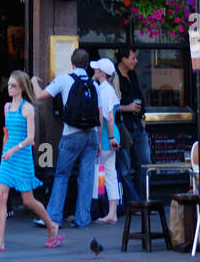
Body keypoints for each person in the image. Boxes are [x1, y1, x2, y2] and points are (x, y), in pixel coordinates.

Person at [0, 71, 61, 251]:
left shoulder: (27, 108)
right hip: (8, 156)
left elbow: (30, 137)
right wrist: (4, 151)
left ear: (22, 87)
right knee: (1, 196)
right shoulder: (6, 107)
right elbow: (7, 133)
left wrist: (12, 149)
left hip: (22, 155)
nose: (9, 88)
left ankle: (51, 225)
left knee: (28, 200)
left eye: (13, 85)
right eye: (9, 85)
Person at [32, 48, 99, 230]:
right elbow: (99, 116)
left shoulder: (64, 79)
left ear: (72, 63)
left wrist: (33, 82)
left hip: (71, 134)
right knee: (87, 177)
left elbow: (40, 96)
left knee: (61, 175)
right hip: (91, 135)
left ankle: (53, 217)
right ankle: (83, 220)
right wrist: (99, 142)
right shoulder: (94, 85)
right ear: (87, 64)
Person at [115, 46, 152, 200]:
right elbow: (109, 104)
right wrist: (126, 108)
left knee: (145, 164)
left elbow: (140, 96)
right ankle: (134, 202)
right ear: (123, 59)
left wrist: (143, 117)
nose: (136, 61)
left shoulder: (133, 75)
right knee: (124, 168)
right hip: (123, 127)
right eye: (133, 58)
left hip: (137, 125)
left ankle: (144, 199)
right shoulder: (114, 77)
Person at [90, 57, 121, 225]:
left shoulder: (103, 90)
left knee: (97, 172)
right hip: (112, 136)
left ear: (102, 73)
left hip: (106, 137)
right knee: (109, 173)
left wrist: (107, 140)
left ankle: (97, 209)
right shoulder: (110, 89)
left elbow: (107, 118)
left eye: (96, 69)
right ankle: (111, 212)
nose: (94, 71)